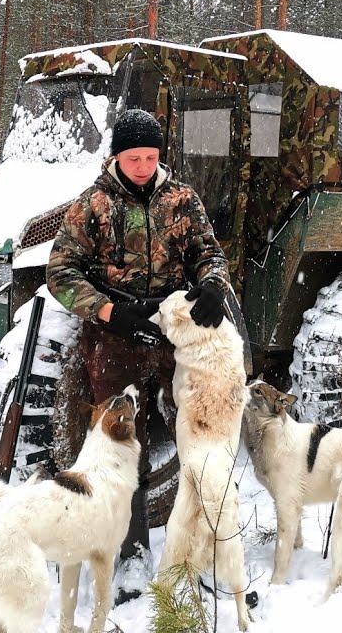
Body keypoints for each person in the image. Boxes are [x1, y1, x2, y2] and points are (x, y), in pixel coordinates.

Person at [46, 108, 231, 603]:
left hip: (177, 336)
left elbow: (208, 254)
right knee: (121, 450)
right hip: (114, 342)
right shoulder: (94, 205)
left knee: (197, 440)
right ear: (116, 157)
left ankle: (199, 551)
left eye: (151, 157)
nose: (145, 166)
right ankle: (127, 556)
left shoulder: (181, 199)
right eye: (134, 158)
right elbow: (60, 272)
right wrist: (108, 310)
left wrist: (212, 286)